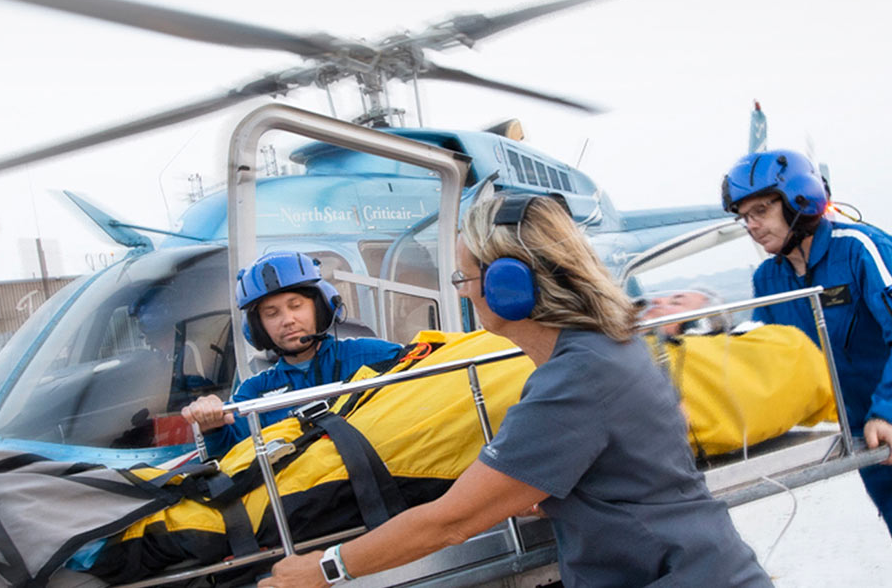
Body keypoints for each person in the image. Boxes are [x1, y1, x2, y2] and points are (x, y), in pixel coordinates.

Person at [260, 194, 770, 588]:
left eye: (464, 278)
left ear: (508, 286)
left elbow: (451, 522)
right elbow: (649, 449)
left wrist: (325, 568)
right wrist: (565, 495)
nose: (463, 291)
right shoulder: (612, 343)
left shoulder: (574, 380)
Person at [724, 150, 892, 588]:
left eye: (761, 210)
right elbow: (767, 358)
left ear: (799, 200)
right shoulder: (768, 280)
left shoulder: (861, 247)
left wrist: (888, 411)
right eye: (744, 217)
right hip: (868, 432)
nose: (751, 225)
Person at [183, 251, 404, 458]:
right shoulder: (255, 391)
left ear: (320, 308)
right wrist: (212, 426)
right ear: (258, 328)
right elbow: (228, 454)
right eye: (272, 314)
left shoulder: (370, 355)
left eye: (296, 305)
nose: (288, 320)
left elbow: (418, 364)